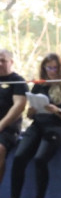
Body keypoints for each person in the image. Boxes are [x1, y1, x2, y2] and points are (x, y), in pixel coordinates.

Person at [1, 52, 61, 198]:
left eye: (55, 68)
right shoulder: (39, 86)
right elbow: (30, 114)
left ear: (60, 69)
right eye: (48, 67)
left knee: (40, 159)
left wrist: (56, 110)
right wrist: (32, 111)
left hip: (56, 127)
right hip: (38, 125)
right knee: (20, 156)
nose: (52, 71)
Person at [0, 48, 28, 190]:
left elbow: (19, 106)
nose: (0, 64)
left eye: (3, 61)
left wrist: (1, 125)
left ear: (11, 62)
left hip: (7, 129)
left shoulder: (17, 81)